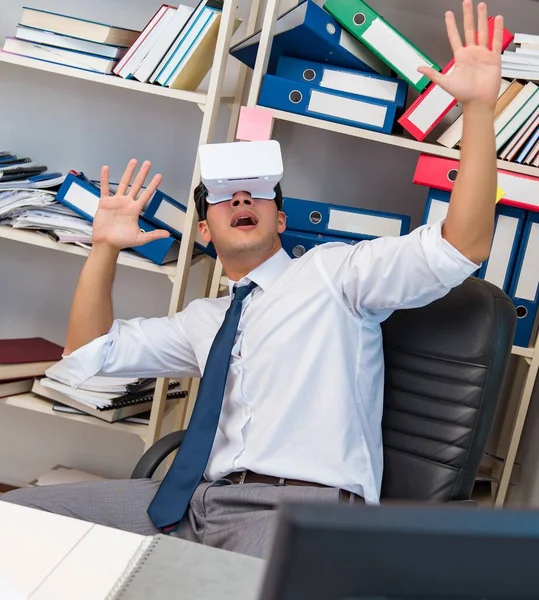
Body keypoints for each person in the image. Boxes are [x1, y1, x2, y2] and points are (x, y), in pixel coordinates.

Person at [3, 0, 504, 559]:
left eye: (258, 191)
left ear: (281, 219)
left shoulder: (337, 276)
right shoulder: (205, 321)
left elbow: (463, 246)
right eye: (221, 196)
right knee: (17, 524)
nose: (240, 196)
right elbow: (86, 353)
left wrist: (479, 110)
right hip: (193, 503)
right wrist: (103, 249)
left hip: (299, 512)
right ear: (204, 235)